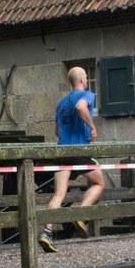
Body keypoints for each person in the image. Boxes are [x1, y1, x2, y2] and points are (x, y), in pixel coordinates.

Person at [38, 67, 104, 253]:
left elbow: (57, 131)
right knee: (98, 183)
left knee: (59, 194)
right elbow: (80, 107)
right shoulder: (87, 95)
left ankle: (46, 232)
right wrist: (91, 127)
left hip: (62, 150)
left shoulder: (60, 102)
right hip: (79, 150)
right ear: (83, 79)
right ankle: (81, 215)